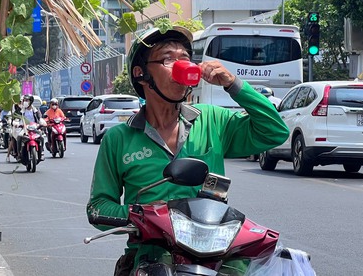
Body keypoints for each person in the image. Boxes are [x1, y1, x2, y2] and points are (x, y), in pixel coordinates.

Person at [86, 26, 289, 275]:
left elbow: (275, 131)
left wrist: (234, 84)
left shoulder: (213, 120)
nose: (182, 64)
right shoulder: (119, 138)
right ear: (141, 74)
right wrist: (142, 215)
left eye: (185, 58)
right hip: (149, 253)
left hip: (215, 250)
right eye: (168, 59)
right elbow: (98, 207)